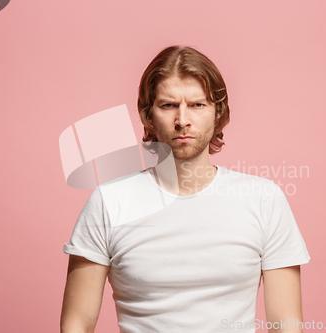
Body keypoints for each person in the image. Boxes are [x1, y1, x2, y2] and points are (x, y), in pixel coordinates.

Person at [60, 45, 311, 333]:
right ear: (147, 116)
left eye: (197, 105)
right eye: (168, 105)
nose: (182, 120)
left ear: (218, 114)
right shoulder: (108, 202)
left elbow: (286, 325)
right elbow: (77, 323)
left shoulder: (264, 200)